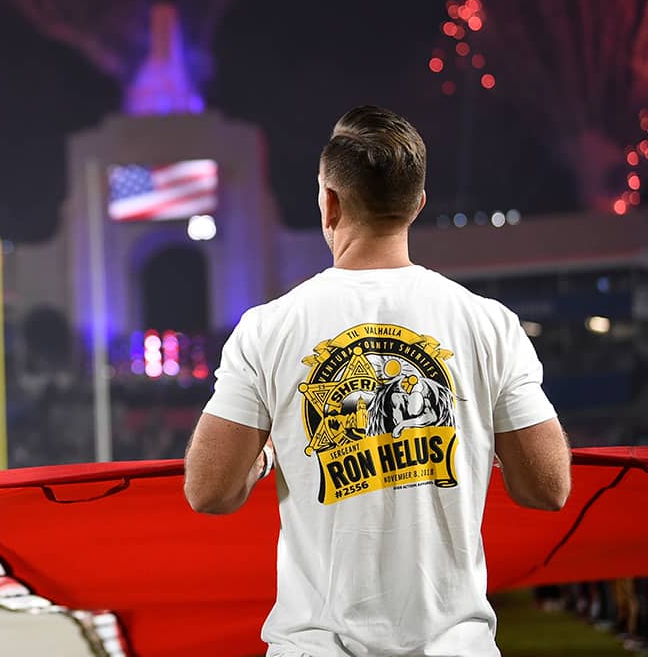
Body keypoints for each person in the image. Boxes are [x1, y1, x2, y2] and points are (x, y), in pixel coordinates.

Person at [183, 106, 571, 656]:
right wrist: (476, 438)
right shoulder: (488, 323)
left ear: (330, 202)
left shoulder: (268, 328)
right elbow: (548, 488)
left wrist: (268, 454)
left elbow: (209, 491)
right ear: (417, 204)